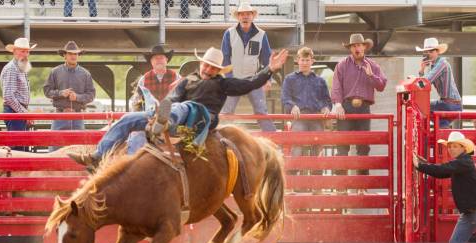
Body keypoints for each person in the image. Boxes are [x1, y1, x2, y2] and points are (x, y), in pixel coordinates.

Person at [68, 47, 288, 168]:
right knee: (128, 119)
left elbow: (249, 84)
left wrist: (269, 69)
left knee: (187, 106)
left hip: (202, 119)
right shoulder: (187, 80)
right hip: (174, 115)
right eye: (206, 65)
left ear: (217, 70)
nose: (208, 69)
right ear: (201, 63)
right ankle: (100, 156)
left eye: (212, 67)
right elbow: (172, 99)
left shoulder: (223, 83)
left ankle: (164, 121)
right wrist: (158, 111)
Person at [331, 33, 387, 177]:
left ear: (364, 47)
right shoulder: (342, 65)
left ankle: (362, 185)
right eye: (354, 46)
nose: (357, 48)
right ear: (350, 49)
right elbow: (336, 87)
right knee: (342, 146)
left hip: (364, 108)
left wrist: (371, 75)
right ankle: (341, 185)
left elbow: (381, 85)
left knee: (363, 146)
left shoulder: (373, 66)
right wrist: (337, 104)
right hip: (345, 107)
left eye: (359, 45)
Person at [220, 2, 276, 132]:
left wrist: (267, 79)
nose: (245, 17)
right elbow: (225, 57)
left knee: (261, 111)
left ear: (253, 16)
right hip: (234, 79)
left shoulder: (262, 34)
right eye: (242, 14)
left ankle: (275, 142)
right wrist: (228, 79)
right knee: (226, 112)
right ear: (238, 17)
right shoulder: (229, 33)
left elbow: (267, 58)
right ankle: (222, 140)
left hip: (254, 79)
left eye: (248, 14)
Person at [126, 45, 181, 154]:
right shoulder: (143, 80)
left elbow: (183, 100)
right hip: (149, 118)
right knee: (136, 134)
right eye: (156, 58)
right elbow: (136, 103)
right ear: (151, 62)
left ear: (167, 60)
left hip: (171, 118)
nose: (159, 60)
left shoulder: (177, 78)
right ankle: (133, 159)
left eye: (161, 58)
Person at [44, 41, 96, 151]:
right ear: (65, 55)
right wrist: (60, 93)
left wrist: (77, 97)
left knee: (80, 149)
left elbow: (91, 95)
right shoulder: (55, 72)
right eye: (71, 53)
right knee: (54, 148)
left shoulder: (86, 74)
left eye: (76, 54)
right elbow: (47, 91)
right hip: (60, 115)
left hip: (77, 116)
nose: (74, 56)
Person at [281, 46, 331, 158]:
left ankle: (316, 173)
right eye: (302, 60)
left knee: (318, 145)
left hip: (317, 118)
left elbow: (327, 100)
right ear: (297, 60)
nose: (304, 63)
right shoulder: (289, 79)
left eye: (307, 60)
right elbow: (285, 97)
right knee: (297, 144)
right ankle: (294, 173)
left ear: (312, 61)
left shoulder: (321, 80)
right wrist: (292, 106)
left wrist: (326, 108)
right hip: (299, 117)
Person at [416, 37, 462, 129]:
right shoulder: (434, 66)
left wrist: (420, 75)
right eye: (427, 52)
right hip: (446, 103)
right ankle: (443, 129)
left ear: (437, 52)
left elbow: (426, 82)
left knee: (421, 105)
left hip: (451, 104)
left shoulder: (442, 63)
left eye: (431, 51)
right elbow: (423, 85)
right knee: (439, 121)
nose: (429, 54)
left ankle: (427, 132)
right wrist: (422, 70)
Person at [0, 38, 35, 141]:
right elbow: (9, 97)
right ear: (14, 51)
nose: (26, 54)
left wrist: (25, 112)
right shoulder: (12, 68)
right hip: (14, 113)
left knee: (20, 147)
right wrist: (25, 113)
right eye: (22, 51)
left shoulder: (19, 67)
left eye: (27, 51)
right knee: (17, 147)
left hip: (17, 112)